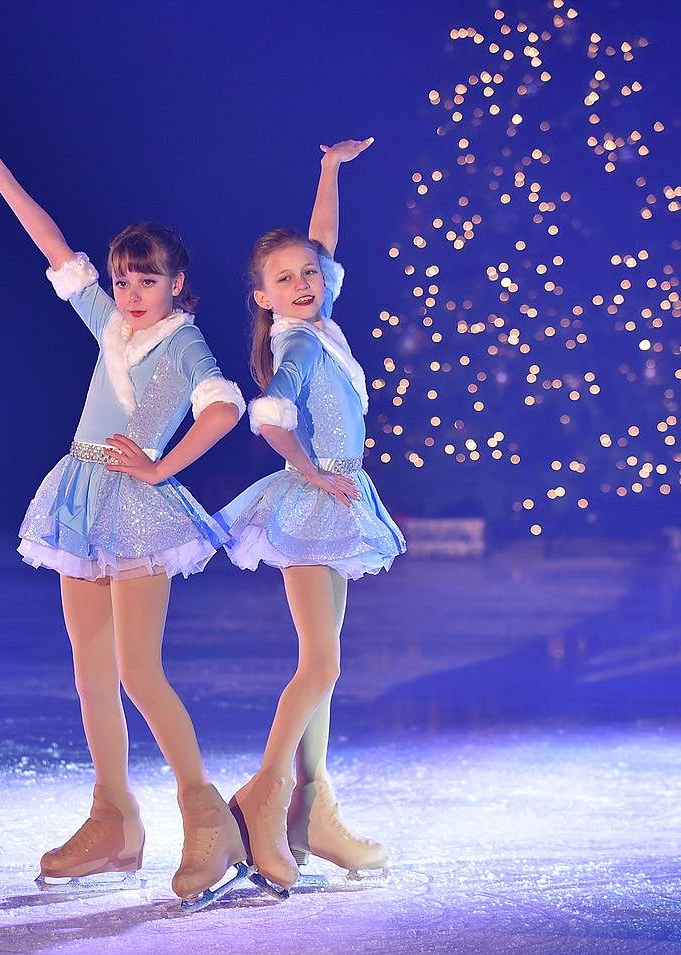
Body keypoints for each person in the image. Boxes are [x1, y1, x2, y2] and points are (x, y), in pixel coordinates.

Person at [0, 150, 249, 904]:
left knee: (139, 669)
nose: (133, 292)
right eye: (123, 279)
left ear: (176, 282)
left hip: (136, 507)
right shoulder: (110, 323)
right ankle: (115, 819)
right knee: (90, 667)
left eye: (148, 279)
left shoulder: (183, 339)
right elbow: (56, 251)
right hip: (80, 496)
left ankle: (208, 817)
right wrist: (5, 179)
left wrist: (160, 467)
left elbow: (224, 406)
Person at [217, 138, 405, 891]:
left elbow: (322, 239)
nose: (302, 282)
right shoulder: (296, 342)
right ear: (262, 296)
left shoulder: (321, 323)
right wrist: (310, 472)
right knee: (320, 661)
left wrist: (329, 169)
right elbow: (267, 415)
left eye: (308, 275)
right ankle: (266, 796)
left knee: (324, 665)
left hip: (340, 499)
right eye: (283, 278)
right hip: (313, 504)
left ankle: (311, 810)